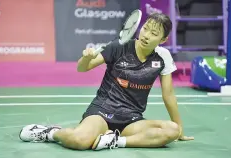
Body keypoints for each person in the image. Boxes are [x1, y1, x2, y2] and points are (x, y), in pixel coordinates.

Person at [19, 12, 194, 150]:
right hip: (102, 112)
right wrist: (86, 58)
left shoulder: (162, 57)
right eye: (146, 28)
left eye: (154, 33)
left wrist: (180, 129)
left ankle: (115, 141)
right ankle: (50, 133)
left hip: (132, 120)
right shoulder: (119, 46)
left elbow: (168, 95)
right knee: (79, 141)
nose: (147, 35)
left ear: (163, 40)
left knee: (171, 130)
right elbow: (82, 68)